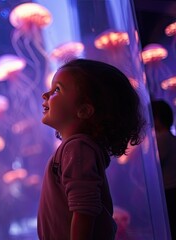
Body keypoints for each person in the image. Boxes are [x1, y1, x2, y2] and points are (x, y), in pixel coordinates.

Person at [37, 59, 145, 240]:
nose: (45, 95)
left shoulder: (77, 148)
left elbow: (84, 208)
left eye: (57, 90)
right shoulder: (76, 147)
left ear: (85, 111)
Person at [151, 99, 176, 238]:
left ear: (157, 118)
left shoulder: (162, 139)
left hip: (168, 190)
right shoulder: (171, 137)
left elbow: (156, 163)